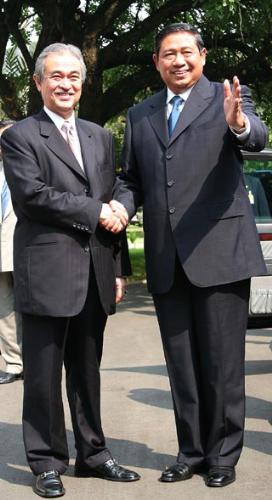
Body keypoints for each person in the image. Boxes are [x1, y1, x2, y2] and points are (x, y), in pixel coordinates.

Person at [112, 23, 268, 488]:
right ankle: (191, 451)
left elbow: (255, 137)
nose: (177, 60)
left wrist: (238, 122)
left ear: (202, 55)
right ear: (156, 62)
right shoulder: (140, 114)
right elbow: (131, 177)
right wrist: (121, 204)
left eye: (185, 52)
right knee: (181, 364)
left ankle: (223, 456)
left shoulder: (229, 97)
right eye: (167, 54)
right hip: (165, 256)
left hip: (219, 251)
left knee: (222, 364)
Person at [1, 43, 139, 498]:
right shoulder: (19, 136)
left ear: (83, 84)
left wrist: (118, 248)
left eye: (73, 77)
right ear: (38, 82)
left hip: (95, 271)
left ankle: (94, 454)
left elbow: (115, 186)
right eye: (55, 76)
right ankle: (45, 461)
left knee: (87, 371)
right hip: (46, 272)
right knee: (42, 375)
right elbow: (32, 196)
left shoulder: (100, 135)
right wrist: (98, 209)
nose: (65, 84)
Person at [0, 120, 23, 384]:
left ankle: (38, 361)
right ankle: (14, 363)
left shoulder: (35, 167)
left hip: (30, 251)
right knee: (5, 310)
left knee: (34, 308)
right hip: (2, 251)